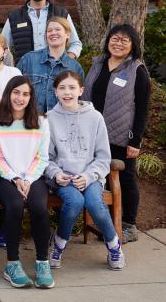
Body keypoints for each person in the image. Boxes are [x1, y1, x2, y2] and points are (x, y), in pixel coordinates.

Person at [46, 71, 126, 270]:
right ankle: (58, 243)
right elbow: (45, 158)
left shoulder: (95, 117)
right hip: (64, 178)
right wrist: (56, 174)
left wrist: (88, 176)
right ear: (55, 91)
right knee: (74, 202)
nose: (67, 92)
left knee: (95, 204)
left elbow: (103, 157)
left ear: (81, 90)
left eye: (72, 87)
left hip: (90, 177)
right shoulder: (49, 119)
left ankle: (114, 246)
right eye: (62, 88)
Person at [82, 24, 150, 243]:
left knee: (125, 180)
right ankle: (111, 224)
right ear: (108, 40)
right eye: (115, 38)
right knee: (104, 180)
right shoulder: (98, 64)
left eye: (124, 40)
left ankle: (128, 225)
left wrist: (135, 140)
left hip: (122, 136)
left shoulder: (136, 70)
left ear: (132, 45)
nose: (118, 43)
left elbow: (142, 107)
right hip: (94, 134)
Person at [0, 76, 54, 289]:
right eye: (16, 92)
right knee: (15, 205)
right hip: (6, 177)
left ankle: (42, 262)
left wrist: (27, 179)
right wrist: (15, 178)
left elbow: (42, 157)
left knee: (38, 207)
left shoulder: (41, 122)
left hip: (33, 177)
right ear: (8, 94)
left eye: (26, 94)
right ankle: (12, 264)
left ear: (31, 97)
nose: (20, 98)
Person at [1, 0, 82, 60]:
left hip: (55, 72)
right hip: (25, 73)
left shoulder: (61, 14)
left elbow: (75, 43)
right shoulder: (14, 17)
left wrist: (66, 62)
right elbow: (2, 46)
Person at [16, 16, 84, 113]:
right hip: (30, 122)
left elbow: (79, 101)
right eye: (49, 30)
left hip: (61, 123)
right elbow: (13, 90)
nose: (53, 33)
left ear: (67, 34)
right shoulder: (28, 60)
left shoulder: (75, 68)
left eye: (57, 29)